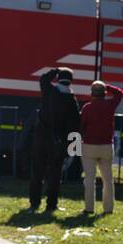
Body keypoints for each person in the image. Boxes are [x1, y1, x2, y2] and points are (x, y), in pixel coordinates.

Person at [29, 67, 80, 213]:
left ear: (58, 78)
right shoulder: (71, 99)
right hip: (59, 142)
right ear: (71, 81)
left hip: (41, 139)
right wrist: (72, 147)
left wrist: (55, 70)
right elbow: (75, 124)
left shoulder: (49, 91)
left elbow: (43, 78)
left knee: (37, 172)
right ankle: (51, 205)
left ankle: (34, 203)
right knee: (55, 174)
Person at [79, 80, 123, 214]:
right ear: (104, 94)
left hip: (89, 146)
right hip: (106, 146)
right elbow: (119, 93)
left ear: (91, 94)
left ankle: (89, 208)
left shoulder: (87, 107)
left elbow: (81, 126)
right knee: (108, 179)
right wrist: (106, 86)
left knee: (89, 179)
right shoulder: (110, 105)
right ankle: (108, 208)